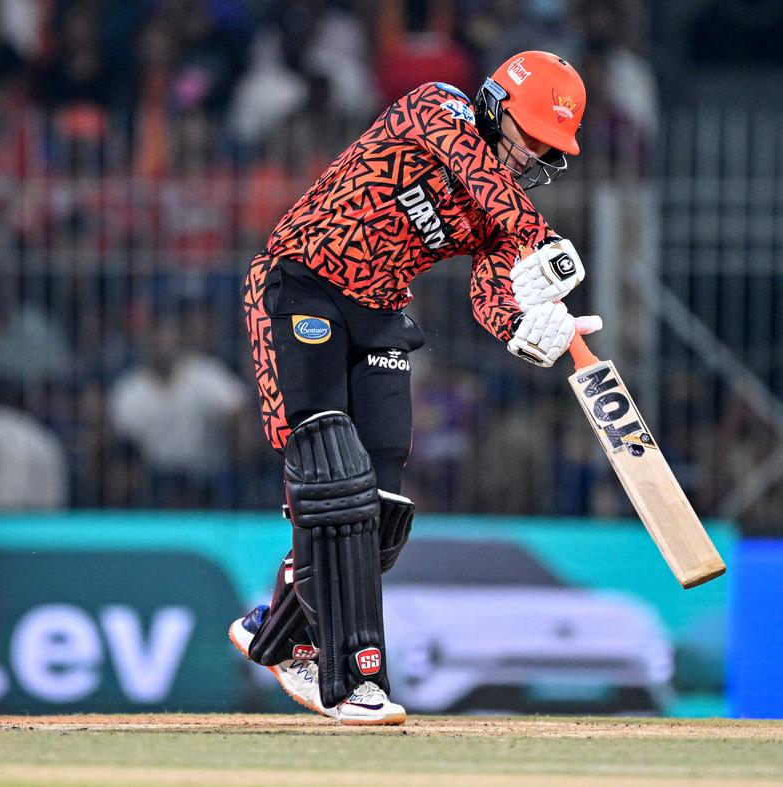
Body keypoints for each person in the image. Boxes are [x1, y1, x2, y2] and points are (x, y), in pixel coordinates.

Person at [230, 51, 598, 725]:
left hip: (380, 314)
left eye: (549, 151)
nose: (534, 159)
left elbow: (494, 292)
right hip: (301, 283)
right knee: (331, 471)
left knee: (383, 505)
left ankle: (277, 635)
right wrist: (543, 241)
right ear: (494, 107)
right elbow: (490, 187)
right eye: (533, 139)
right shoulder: (438, 108)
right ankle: (352, 680)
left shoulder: (503, 210)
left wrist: (530, 322)